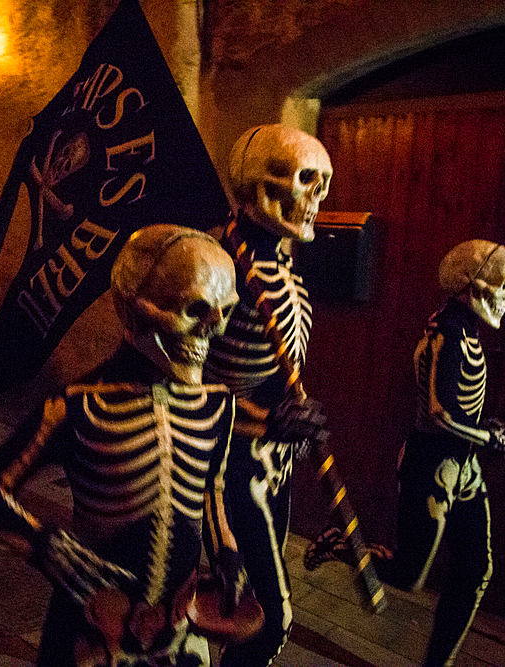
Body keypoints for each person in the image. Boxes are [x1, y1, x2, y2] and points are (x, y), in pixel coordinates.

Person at [0, 225, 248, 666]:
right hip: (95, 623)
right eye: (195, 311)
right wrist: (47, 545)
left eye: (223, 313)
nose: (211, 331)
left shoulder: (218, 404)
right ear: (135, 312)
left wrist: (226, 550)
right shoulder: (76, 406)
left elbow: (211, 490)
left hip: (177, 624)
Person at [305, 239, 505, 667]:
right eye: (503, 286)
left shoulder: (467, 334)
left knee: (476, 572)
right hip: (431, 467)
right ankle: (345, 546)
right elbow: (441, 415)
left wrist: (484, 435)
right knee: (409, 575)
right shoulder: (448, 335)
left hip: (464, 469)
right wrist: (488, 438)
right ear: (472, 286)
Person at [202, 124, 332, 666]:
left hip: (273, 466)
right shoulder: (214, 267)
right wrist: (267, 420)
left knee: (250, 606)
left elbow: (284, 377)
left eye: (322, 185)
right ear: (260, 184)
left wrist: (294, 422)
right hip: (223, 464)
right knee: (269, 617)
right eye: (305, 181)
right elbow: (183, 383)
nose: (314, 200)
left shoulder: (288, 276)